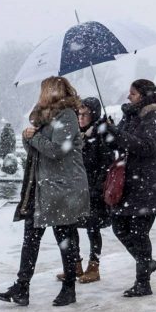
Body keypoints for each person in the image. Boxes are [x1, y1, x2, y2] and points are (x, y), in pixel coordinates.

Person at [0, 76, 89, 307]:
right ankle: (22, 286)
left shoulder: (66, 115)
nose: (42, 94)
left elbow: (58, 150)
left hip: (61, 188)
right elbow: (34, 151)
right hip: (41, 188)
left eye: (46, 90)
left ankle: (69, 287)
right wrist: (28, 137)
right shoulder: (44, 117)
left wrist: (34, 137)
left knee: (64, 237)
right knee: (31, 238)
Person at [106, 79, 156, 297]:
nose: (128, 97)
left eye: (132, 94)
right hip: (130, 183)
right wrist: (111, 131)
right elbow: (120, 142)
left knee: (139, 233)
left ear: (143, 95)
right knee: (119, 227)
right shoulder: (131, 115)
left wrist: (120, 134)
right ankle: (146, 262)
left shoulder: (154, 117)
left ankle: (143, 282)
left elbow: (147, 146)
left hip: (148, 184)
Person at [57, 96, 115, 284]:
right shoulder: (77, 135)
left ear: (94, 114)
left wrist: (96, 189)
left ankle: (94, 265)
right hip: (75, 189)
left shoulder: (100, 135)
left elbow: (106, 165)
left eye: (85, 114)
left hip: (93, 192)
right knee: (71, 226)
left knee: (92, 228)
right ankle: (75, 264)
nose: (81, 118)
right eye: (79, 114)